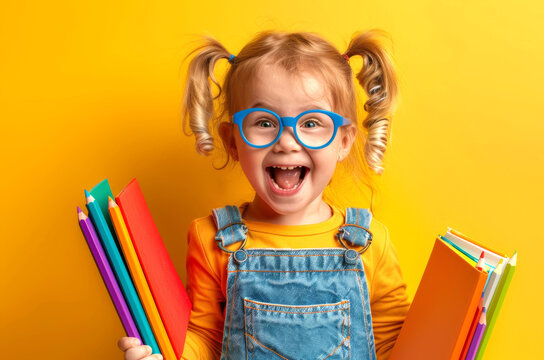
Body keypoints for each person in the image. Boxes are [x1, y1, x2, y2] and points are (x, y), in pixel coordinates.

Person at [118, 30, 410, 360]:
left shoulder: (371, 243)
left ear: (343, 140)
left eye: (312, 123)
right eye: (265, 122)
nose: (287, 141)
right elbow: (207, 341)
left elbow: (392, 346)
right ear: (232, 141)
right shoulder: (211, 240)